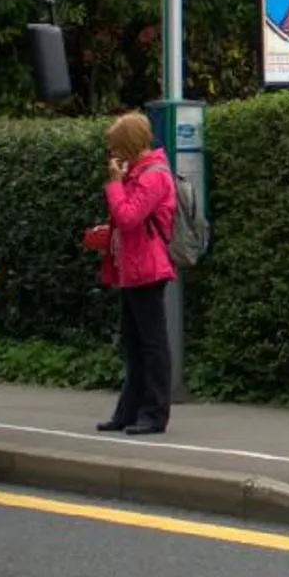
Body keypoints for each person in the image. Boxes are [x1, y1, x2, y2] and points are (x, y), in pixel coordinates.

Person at [95, 110, 178, 436]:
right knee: (134, 344)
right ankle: (128, 411)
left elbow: (129, 216)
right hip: (131, 269)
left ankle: (154, 413)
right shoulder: (139, 173)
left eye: (116, 147)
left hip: (148, 269)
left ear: (128, 144)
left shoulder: (154, 175)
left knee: (153, 345)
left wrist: (115, 185)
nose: (113, 154)